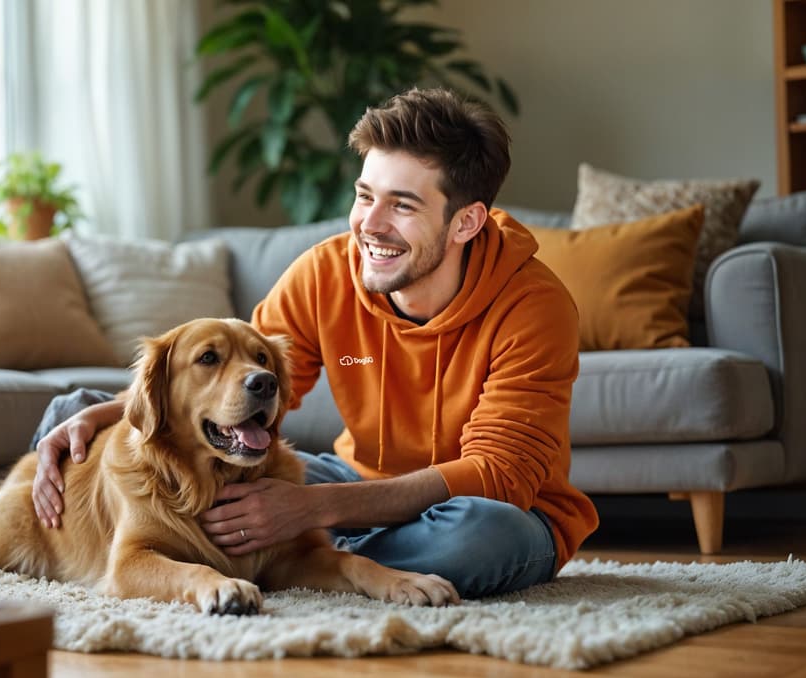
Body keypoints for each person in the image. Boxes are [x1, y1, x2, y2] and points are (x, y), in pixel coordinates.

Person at [30, 87, 599, 598]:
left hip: (489, 511)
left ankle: (305, 556)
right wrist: (110, 411)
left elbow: (498, 473)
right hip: (355, 483)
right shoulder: (326, 273)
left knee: (480, 538)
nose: (369, 225)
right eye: (364, 195)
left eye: (401, 205)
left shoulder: (534, 306)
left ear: (466, 223)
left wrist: (312, 510)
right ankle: (293, 557)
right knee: (80, 416)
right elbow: (241, 391)